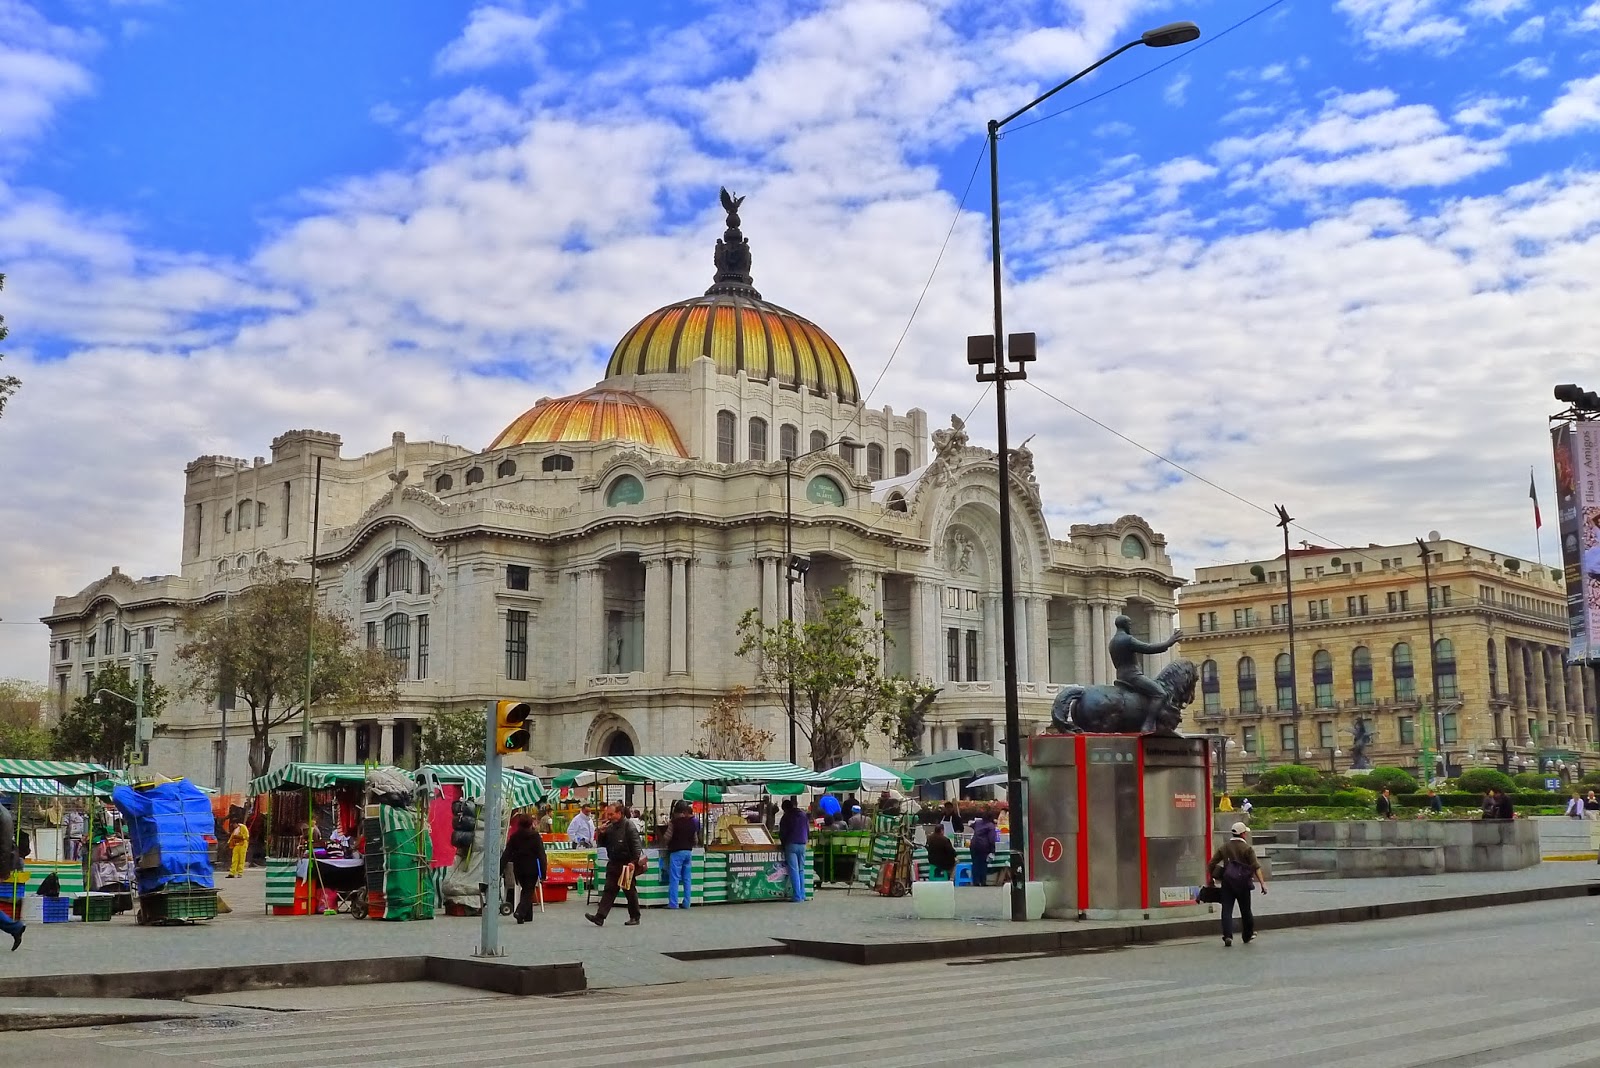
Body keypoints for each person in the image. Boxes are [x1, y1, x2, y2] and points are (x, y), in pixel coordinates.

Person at [1205, 821, 1266, 947]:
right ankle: (1247, 935)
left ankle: (1228, 936)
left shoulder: (1224, 847)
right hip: (1243, 883)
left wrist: (1213, 877)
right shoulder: (1247, 849)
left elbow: (1211, 863)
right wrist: (1262, 884)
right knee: (1246, 910)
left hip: (1227, 883)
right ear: (1243, 834)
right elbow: (1256, 867)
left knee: (1227, 910)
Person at [586, 803, 643, 927]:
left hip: (626, 864)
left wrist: (633, 862)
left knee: (629, 891)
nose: (609, 817)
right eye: (608, 814)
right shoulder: (610, 827)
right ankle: (600, 917)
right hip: (613, 862)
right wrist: (601, 833)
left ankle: (635, 916)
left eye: (611, 814)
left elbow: (636, 846)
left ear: (619, 813)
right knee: (609, 890)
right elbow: (602, 843)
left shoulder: (629, 826)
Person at [502, 813, 548, 924]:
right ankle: (520, 912)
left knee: (526, 889)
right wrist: (543, 872)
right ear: (530, 824)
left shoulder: (514, 837)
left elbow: (507, 854)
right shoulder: (535, 836)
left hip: (518, 868)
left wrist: (500, 868)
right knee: (528, 890)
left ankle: (528, 916)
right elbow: (541, 855)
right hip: (532, 868)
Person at [664, 801, 697, 909]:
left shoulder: (673, 823)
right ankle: (687, 903)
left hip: (676, 852)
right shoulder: (692, 823)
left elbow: (667, 837)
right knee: (687, 879)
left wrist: (665, 843)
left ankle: (673, 903)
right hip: (688, 852)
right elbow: (696, 840)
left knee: (675, 878)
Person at [0, 802, 24, 951]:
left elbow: (3, 846)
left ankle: (14, 927)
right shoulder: (4, 812)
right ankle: (15, 927)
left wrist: (2, 871)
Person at [777, 798, 810, 903]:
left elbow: (782, 833)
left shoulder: (786, 817)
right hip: (803, 844)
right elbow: (808, 830)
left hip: (791, 844)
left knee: (794, 870)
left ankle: (797, 896)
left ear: (785, 809)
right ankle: (803, 894)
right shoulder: (803, 815)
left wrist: (783, 844)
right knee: (801, 870)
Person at [968, 808, 998, 887]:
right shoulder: (990, 826)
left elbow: (971, 825)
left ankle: (976, 881)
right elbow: (991, 839)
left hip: (973, 845)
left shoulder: (977, 823)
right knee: (983, 865)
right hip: (983, 847)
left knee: (975, 864)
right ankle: (983, 881)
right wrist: (993, 850)